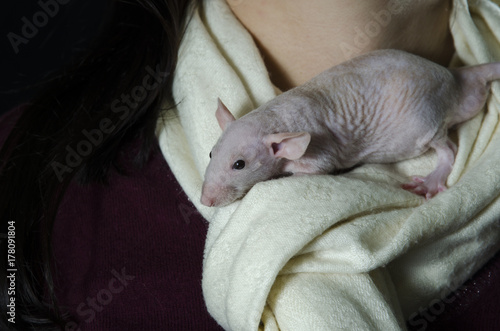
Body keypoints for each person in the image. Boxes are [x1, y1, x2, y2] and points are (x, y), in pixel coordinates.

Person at [1, 0, 499, 330]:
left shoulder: (294, 149)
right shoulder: (18, 163)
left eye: (238, 164)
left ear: (286, 148)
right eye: (227, 159)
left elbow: (319, 155)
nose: (211, 193)